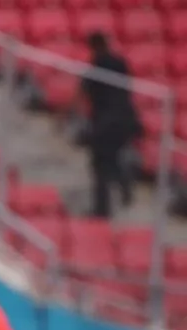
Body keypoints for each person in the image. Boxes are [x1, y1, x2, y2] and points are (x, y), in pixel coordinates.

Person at [79, 32, 142, 219]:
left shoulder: (96, 67)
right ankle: (124, 185)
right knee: (113, 158)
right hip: (126, 118)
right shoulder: (120, 63)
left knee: (100, 165)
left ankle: (102, 209)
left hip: (106, 122)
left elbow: (84, 92)